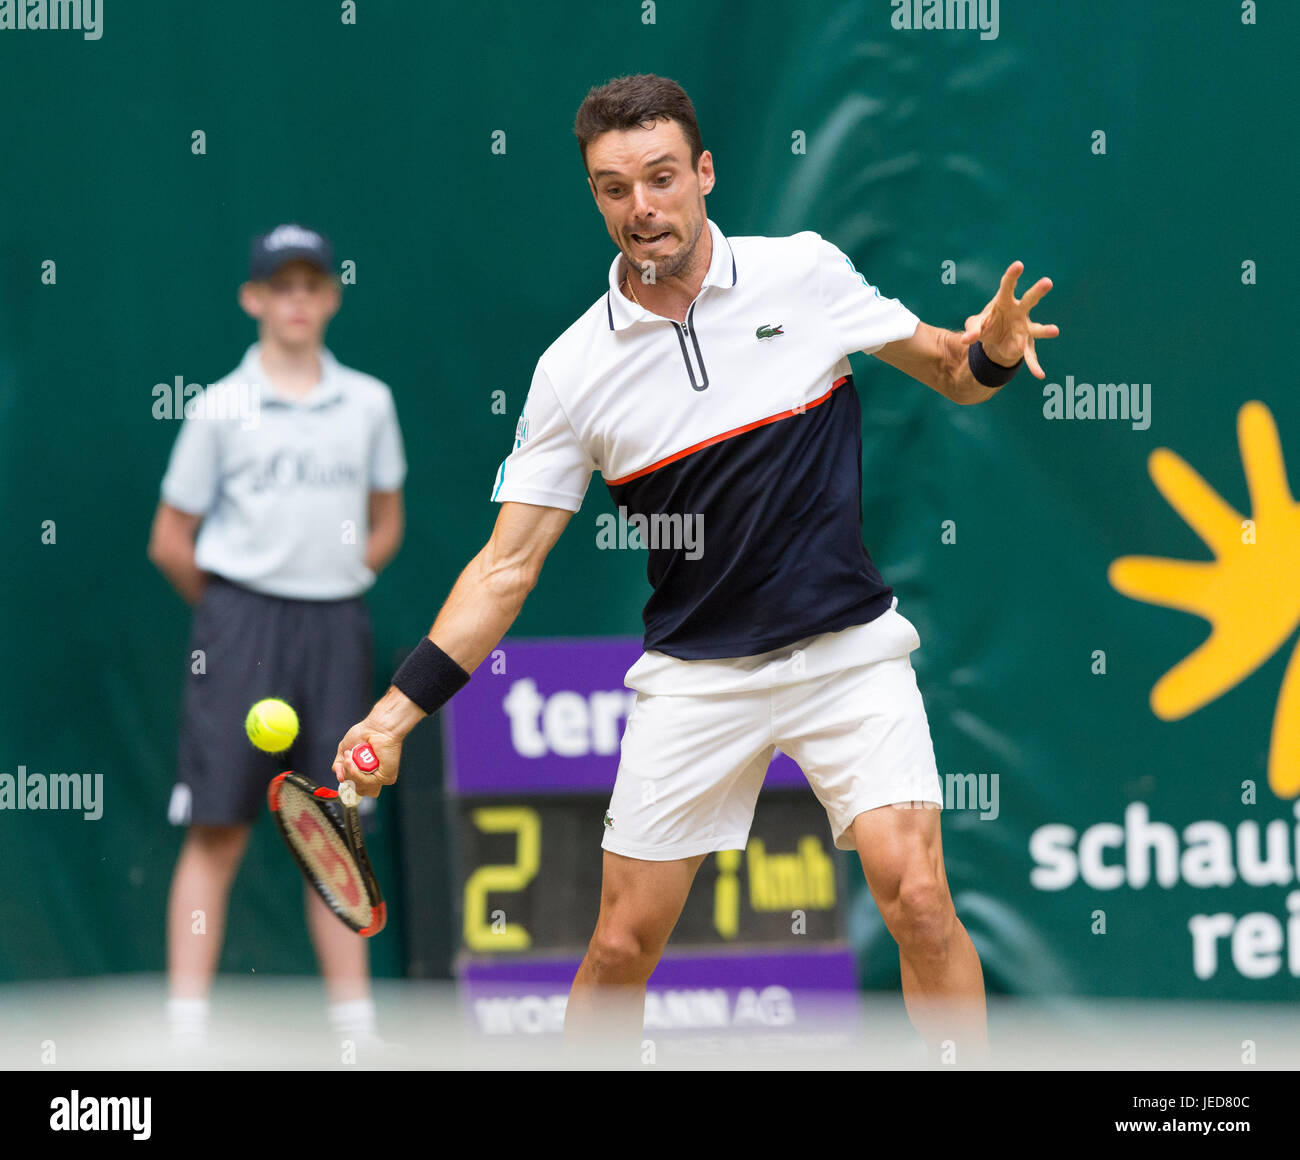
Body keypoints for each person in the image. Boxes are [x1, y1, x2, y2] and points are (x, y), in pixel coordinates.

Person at [332, 75, 1058, 1063]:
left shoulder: (801, 274)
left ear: (704, 173)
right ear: (595, 196)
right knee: (623, 941)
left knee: (921, 895)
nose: (642, 207)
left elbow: (950, 369)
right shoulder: (572, 371)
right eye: (614, 187)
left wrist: (996, 355)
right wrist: (394, 711)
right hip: (697, 674)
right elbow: (505, 568)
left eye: (662, 177)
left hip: (847, 650)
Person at [148, 223, 406, 1055]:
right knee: (216, 829)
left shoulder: (368, 402)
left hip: (337, 626)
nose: (296, 301)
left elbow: (386, 522)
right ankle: (185, 1033)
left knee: (334, 825)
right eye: (279, 286)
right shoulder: (219, 405)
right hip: (239, 627)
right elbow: (170, 538)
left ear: (331, 296)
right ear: (254, 299)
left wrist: (334, 580)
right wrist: (234, 608)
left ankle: (354, 1035)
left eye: (311, 286)